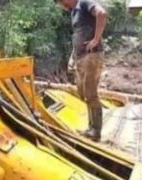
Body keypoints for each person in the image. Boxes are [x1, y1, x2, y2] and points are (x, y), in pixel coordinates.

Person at [56, 0, 108, 141]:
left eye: (61, 3)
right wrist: (73, 57)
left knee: (90, 94)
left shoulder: (85, 3)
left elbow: (102, 14)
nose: (62, 6)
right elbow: (78, 35)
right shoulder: (73, 12)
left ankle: (96, 131)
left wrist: (96, 39)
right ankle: (91, 128)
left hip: (91, 56)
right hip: (80, 57)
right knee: (83, 92)